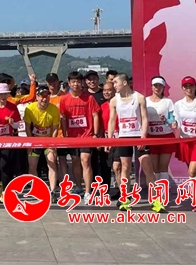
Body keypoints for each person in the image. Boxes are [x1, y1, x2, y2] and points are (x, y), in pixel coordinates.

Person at [106, 73, 157, 212]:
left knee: (147, 167)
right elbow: (112, 120)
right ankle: (125, 199)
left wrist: (143, 137)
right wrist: (109, 139)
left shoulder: (139, 97)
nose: (114, 85)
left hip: (138, 135)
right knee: (125, 168)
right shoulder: (114, 100)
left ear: (124, 83)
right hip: (124, 137)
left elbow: (145, 118)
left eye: (115, 82)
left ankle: (156, 200)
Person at [59, 72, 100, 203]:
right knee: (75, 161)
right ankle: (78, 187)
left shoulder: (89, 98)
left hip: (87, 136)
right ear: (69, 83)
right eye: (73, 81)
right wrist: (64, 134)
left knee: (85, 161)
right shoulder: (64, 99)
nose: (76, 84)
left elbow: (95, 115)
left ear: (81, 83)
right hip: (72, 137)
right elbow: (63, 117)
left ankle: (88, 192)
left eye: (78, 81)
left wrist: (95, 134)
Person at [172, 76, 196, 212]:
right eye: (185, 86)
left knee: (192, 171)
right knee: (192, 173)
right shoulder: (178, 104)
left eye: (191, 86)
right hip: (184, 141)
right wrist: (172, 123)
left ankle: (195, 200)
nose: (188, 89)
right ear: (182, 88)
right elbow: (176, 122)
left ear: (195, 87)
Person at [145, 76, 177, 200]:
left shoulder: (168, 102)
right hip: (150, 137)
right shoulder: (146, 101)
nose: (157, 88)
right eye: (155, 85)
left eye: (160, 86)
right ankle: (155, 194)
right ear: (151, 86)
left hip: (166, 136)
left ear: (164, 87)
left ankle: (163, 195)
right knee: (154, 168)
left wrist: (167, 120)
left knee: (163, 167)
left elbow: (172, 120)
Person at [24, 85, 60, 193]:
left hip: (48, 140)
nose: (44, 99)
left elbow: (55, 129)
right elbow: (27, 127)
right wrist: (30, 143)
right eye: (42, 96)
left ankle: (53, 190)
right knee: (32, 165)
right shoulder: (30, 109)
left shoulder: (54, 109)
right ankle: (37, 189)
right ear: (37, 97)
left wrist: (53, 145)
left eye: (47, 96)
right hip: (35, 139)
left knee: (52, 162)